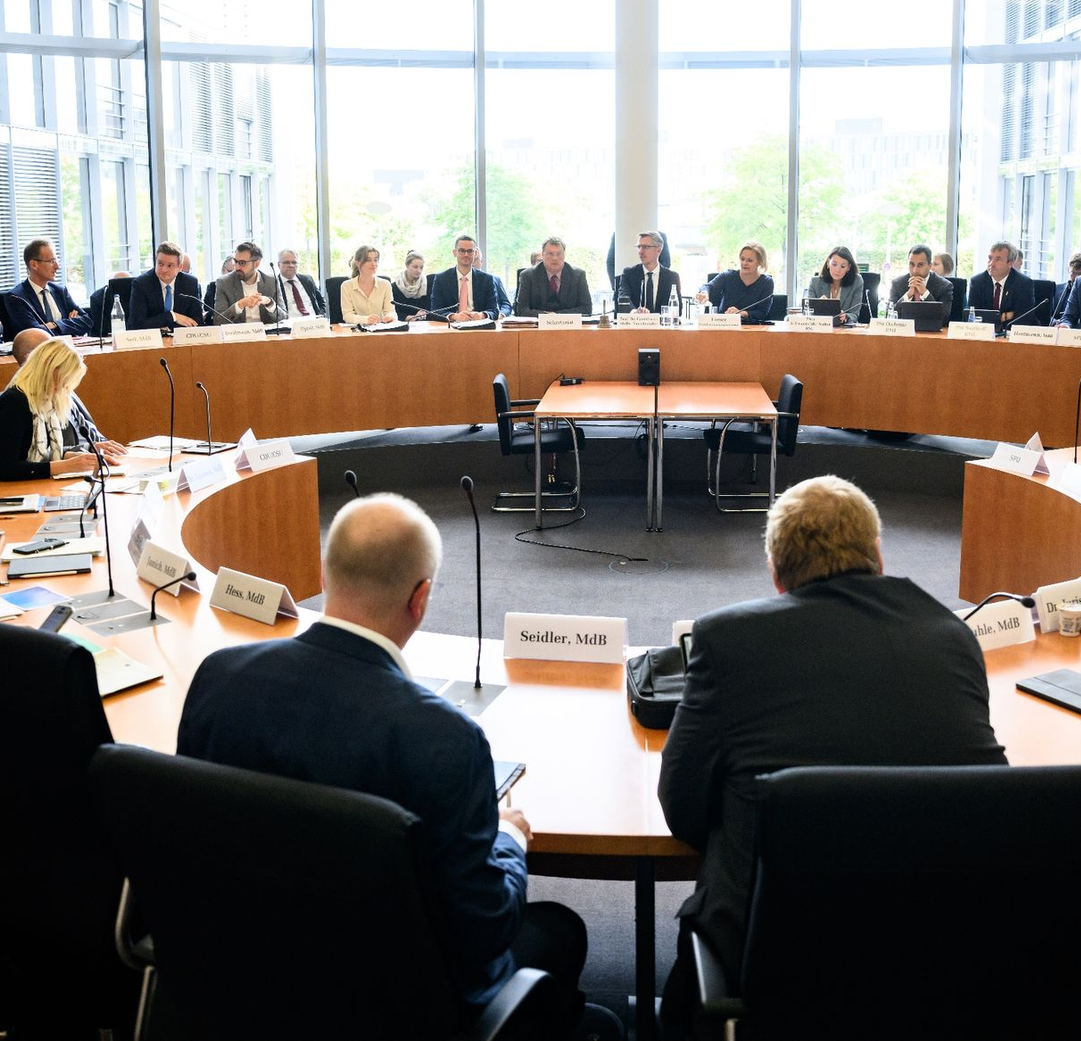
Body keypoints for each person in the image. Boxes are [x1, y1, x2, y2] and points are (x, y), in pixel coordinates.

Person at [176, 495, 587, 1030]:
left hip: (239, 980)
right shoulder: (445, 740)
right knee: (559, 930)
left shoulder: (218, 676)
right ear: (421, 599)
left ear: (326, 573)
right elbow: (484, 929)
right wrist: (508, 839)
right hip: (391, 1008)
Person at [656, 475, 1006, 1038]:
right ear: (878, 556)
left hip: (777, 969)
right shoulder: (952, 635)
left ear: (776, 574)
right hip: (944, 955)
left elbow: (683, 810)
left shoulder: (727, 640)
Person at [0, 339, 116, 479]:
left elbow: (42, 453)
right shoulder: (14, 402)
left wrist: (77, 455)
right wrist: (65, 466)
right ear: (48, 370)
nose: (63, 388)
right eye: (64, 380)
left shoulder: (45, 402)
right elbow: (5, 467)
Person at [6, 239, 91, 337]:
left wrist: (55, 324)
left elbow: (87, 322)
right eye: (52, 261)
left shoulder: (60, 291)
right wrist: (70, 325)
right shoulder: (16, 297)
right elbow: (35, 334)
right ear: (34, 264)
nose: (57, 266)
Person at [128, 241, 203, 330]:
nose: (163, 269)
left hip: (179, 340)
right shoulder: (141, 284)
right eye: (160, 263)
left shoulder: (190, 284)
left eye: (170, 265)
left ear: (180, 268)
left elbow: (197, 322)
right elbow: (136, 325)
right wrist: (172, 316)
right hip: (151, 341)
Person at [514, 237, 593, 316]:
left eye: (559, 254)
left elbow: (586, 308)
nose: (555, 258)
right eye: (550, 254)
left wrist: (556, 315)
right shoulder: (528, 276)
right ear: (542, 255)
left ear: (564, 255)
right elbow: (521, 310)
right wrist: (546, 316)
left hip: (569, 325)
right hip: (537, 326)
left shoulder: (578, 276)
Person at [429, 235, 500, 322]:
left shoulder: (486, 279)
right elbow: (434, 311)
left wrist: (482, 315)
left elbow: (494, 310)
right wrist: (454, 316)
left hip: (479, 326)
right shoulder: (442, 279)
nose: (466, 254)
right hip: (451, 327)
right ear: (454, 253)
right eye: (462, 251)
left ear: (475, 253)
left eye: (470, 251)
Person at [698, 243, 775, 322]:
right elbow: (707, 287)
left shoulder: (766, 282)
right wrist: (704, 293)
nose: (744, 263)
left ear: (760, 262)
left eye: (750, 260)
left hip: (753, 328)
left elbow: (762, 313)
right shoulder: (727, 276)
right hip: (725, 325)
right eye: (742, 259)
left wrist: (742, 313)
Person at [966, 242, 1036, 325]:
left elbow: (1023, 317)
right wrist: (1007, 315)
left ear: (1010, 263)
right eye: (990, 258)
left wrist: (991, 318)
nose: (991, 264)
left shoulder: (1023, 283)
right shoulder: (977, 282)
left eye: (998, 259)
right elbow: (972, 315)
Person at [212, 242, 279, 325]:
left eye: (242, 263)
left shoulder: (271, 281)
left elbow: (284, 317)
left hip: (267, 335)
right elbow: (218, 322)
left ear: (256, 264)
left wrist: (269, 303)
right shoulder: (224, 282)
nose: (237, 267)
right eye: (235, 262)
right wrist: (240, 305)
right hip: (238, 335)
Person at [887, 244, 954, 325]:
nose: (915, 270)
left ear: (930, 266)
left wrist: (925, 293)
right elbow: (890, 315)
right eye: (912, 264)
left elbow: (943, 319)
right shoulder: (897, 283)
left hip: (932, 334)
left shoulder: (944, 286)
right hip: (904, 333)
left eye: (920, 265)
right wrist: (908, 295)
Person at [620, 231, 682, 314]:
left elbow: (678, 309)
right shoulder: (629, 274)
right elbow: (623, 299)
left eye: (645, 247)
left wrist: (654, 318)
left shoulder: (671, 277)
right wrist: (635, 312)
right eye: (639, 247)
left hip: (661, 325)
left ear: (659, 250)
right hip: (635, 324)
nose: (641, 251)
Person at [339, 246, 396, 326]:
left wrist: (390, 316)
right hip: (357, 332)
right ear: (358, 263)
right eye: (368, 260)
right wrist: (366, 319)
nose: (374, 264)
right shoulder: (347, 286)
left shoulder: (385, 284)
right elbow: (347, 315)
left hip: (380, 331)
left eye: (375, 260)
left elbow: (391, 311)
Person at [806, 245, 863, 324]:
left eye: (842, 266)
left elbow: (855, 314)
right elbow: (807, 312)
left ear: (848, 268)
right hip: (820, 328)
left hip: (844, 331)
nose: (837, 270)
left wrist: (846, 316)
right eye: (834, 264)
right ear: (828, 263)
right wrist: (819, 305)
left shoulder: (856, 282)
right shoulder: (815, 282)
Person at [277, 249, 326, 317]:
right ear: (278, 265)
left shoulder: (307, 280)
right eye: (286, 262)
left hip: (314, 322)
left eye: (294, 262)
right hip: (291, 324)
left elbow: (321, 301)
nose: (291, 265)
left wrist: (321, 315)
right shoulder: (274, 284)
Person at [471, 247, 513, 318]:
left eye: (475, 259)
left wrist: (501, 314)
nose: (472, 262)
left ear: (481, 262)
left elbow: (506, 304)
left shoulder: (494, 279)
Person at [1051, 251, 1081, 323]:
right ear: (1068, 270)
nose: (1076, 278)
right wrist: (1055, 322)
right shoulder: (1056, 289)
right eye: (1074, 273)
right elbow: (1047, 314)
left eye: (1080, 274)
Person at [393, 250, 429, 317]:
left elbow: (431, 309)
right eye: (415, 267)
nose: (419, 271)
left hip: (424, 323)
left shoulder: (428, 284)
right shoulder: (394, 287)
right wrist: (409, 318)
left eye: (421, 267)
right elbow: (392, 312)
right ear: (407, 265)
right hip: (402, 324)